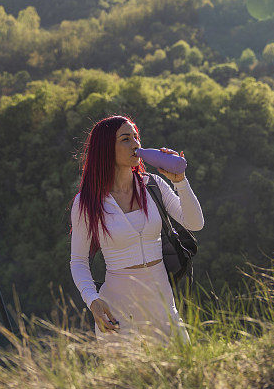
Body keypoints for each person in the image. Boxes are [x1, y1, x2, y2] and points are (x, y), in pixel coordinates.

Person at [69, 115, 204, 344]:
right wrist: (93, 301)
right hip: (118, 312)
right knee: (130, 380)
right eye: (125, 139)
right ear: (106, 149)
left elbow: (195, 223)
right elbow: (79, 261)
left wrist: (180, 181)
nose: (136, 144)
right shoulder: (87, 202)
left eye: (136, 137)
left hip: (163, 306)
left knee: (183, 372)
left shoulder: (153, 185)